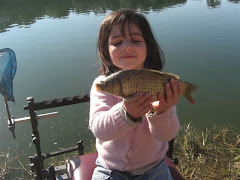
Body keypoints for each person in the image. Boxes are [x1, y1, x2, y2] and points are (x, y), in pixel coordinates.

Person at [89, 9, 182, 180]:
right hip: (110, 168)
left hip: (154, 167)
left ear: (148, 46)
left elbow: (167, 136)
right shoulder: (102, 85)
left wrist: (162, 111)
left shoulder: (159, 84)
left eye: (136, 40)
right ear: (106, 49)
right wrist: (126, 113)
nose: (127, 47)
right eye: (117, 42)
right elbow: (99, 130)